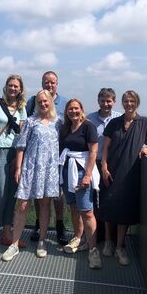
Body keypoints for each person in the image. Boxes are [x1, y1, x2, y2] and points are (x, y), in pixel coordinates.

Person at [100, 90, 147, 266]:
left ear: (137, 103)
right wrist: (103, 167)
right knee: (108, 205)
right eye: (126, 101)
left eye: (132, 101)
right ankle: (109, 242)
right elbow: (106, 147)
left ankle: (119, 247)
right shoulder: (115, 123)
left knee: (123, 209)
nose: (128, 103)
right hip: (111, 170)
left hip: (130, 172)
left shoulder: (144, 122)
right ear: (122, 103)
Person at [2, 90, 60, 261]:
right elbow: (21, 146)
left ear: (50, 101)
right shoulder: (30, 121)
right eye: (40, 101)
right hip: (30, 167)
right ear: (36, 104)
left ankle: (42, 240)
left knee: (44, 205)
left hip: (49, 170)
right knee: (22, 205)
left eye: (46, 101)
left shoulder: (58, 122)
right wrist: (19, 168)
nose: (43, 104)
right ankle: (14, 244)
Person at [0, 74, 27, 251]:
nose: (13, 88)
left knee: (11, 194)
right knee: (0, 192)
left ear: (20, 89)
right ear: (6, 87)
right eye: (10, 85)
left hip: (15, 154)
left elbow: (21, 133)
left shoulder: (21, 108)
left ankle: (7, 234)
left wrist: (19, 157)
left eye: (16, 86)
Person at [26, 71, 68, 245]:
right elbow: (26, 124)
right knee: (39, 191)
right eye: (46, 82)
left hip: (59, 154)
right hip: (38, 155)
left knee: (58, 193)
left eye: (53, 82)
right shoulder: (32, 100)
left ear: (57, 83)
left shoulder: (64, 102)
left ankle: (59, 225)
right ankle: (38, 223)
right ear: (42, 83)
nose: (50, 85)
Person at [59, 99, 102, 269]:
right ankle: (78, 237)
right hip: (68, 171)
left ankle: (93, 250)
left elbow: (93, 151)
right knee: (74, 207)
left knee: (87, 211)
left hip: (83, 171)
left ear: (81, 109)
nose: (73, 112)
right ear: (66, 112)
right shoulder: (65, 128)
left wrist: (88, 175)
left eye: (76, 108)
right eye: (70, 109)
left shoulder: (88, 126)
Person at [86, 88, 121, 241]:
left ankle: (111, 237)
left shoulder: (120, 118)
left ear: (114, 102)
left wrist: (146, 147)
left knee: (110, 200)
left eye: (109, 101)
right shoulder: (89, 119)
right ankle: (96, 235)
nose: (106, 104)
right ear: (98, 101)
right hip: (94, 164)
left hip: (113, 165)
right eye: (103, 101)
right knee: (94, 199)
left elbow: (129, 139)